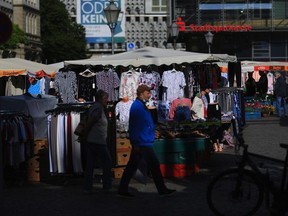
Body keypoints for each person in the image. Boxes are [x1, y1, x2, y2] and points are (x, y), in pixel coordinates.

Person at [118, 84, 176, 197]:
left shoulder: (140, 105)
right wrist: (140, 140)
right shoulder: (138, 107)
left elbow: (144, 124)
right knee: (154, 165)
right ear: (141, 94)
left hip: (142, 141)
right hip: (142, 142)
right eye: (147, 92)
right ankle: (162, 189)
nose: (150, 94)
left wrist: (151, 132)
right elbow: (137, 127)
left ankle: (122, 189)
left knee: (132, 166)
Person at [83, 89, 112, 193]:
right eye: (105, 98)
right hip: (97, 140)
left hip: (95, 139)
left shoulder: (98, 108)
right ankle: (106, 186)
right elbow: (91, 121)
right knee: (107, 162)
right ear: (100, 99)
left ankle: (88, 187)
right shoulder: (98, 108)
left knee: (90, 164)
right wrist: (85, 133)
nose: (107, 100)